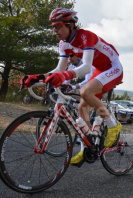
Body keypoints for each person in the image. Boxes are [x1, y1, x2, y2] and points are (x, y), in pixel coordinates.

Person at [20, 8, 123, 167]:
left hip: (113, 67)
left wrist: (65, 76)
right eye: (53, 27)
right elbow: (59, 70)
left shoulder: (85, 36)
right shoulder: (63, 44)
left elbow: (87, 67)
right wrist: (37, 77)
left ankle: (113, 126)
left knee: (85, 92)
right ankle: (86, 149)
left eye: (58, 26)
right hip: (100, 70)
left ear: (70, 25)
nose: (55, 30)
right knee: (82, 108)